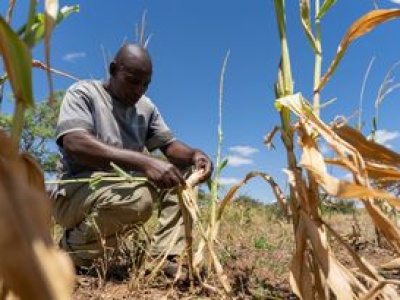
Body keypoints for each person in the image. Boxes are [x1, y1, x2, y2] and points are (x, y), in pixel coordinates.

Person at [52, 43, 213, 272]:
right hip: (75, 195)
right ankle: (72, 252)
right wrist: (145, 162)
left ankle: (163, 257)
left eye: (146, 85)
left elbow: (169, 146)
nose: (139, 90)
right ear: (113, 69)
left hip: (122, 190)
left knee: (185, 174)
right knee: (139, 199)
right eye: (132, 81)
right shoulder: (83, 93)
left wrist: (195, 155)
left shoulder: (145, 107)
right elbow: (75, 142)